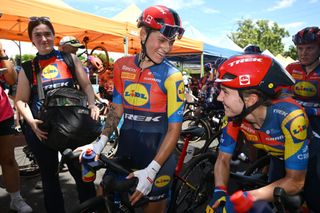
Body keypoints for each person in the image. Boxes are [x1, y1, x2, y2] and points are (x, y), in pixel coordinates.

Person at [76, 5, 185, 213]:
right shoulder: (121, 65)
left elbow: (174, 130)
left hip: (158, 157)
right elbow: (116, 111)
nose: (167, 48)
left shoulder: (172, 76)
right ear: (143, 34)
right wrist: (99, 144)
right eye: (162, 40)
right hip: (127, 149)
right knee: (103, 192)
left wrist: (152, 170)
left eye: (170, 42)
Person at [14, 17, 100, 213]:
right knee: (50, 179)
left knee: (83, 175)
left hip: (73, 127)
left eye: (47, 34)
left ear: (53, 36)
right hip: (43, 132)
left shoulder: (69, 59)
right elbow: (20, 100)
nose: (43, 39)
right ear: (32, 39)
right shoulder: (28, 67)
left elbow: (87, 86)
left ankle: (90, 209)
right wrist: (31, 123)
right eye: (38, 35)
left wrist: (93, 104)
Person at [206, 54, 309, 212]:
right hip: (277, 158)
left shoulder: (291, 117)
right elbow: (223, 159)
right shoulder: (235, 117)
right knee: (273, 205)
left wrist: (245, 198)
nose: (219, 98)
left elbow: (295, 182)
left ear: (251, 99)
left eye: (225, 92)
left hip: (311, 160)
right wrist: (219, 190)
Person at [285, 26, 320, 212]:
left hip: (317, 125)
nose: (304, 53)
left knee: (315, 172)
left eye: (310, 48)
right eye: (300, 49)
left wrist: (310, 111)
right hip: (294, 122)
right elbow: (281, 95)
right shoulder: (291, 68)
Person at [0, 42, 33, 213]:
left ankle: (16, 199)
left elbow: (12, 78)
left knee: (8, 158)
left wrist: (2, 53)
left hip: (2, 113)